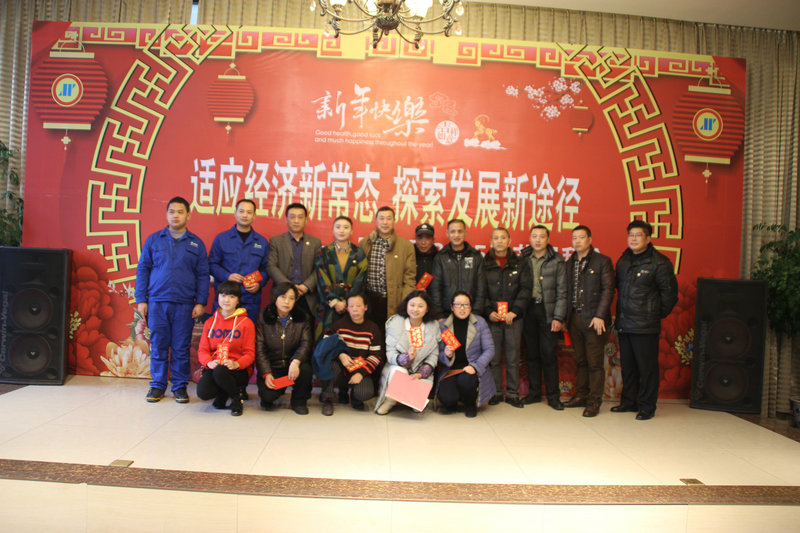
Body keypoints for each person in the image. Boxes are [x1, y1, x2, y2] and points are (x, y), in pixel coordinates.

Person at [136, 196, 209, 404]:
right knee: (158, 345)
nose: (175, 215)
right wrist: (141, 299)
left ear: (188, 215)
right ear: (166, 214)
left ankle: (179, 386)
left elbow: (203, 274)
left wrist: (200, 302)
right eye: (171, 211)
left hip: (184, 303)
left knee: (181, 347)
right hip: (157, 302)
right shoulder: (154, 240)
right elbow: (143, 269)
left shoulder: (196, 243)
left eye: (180, 212)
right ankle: (157, 385)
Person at [612, 220, 678, 420]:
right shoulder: (623, 260)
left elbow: (670, 295)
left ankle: (647, 406)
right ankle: (629, 402)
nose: (633, 239)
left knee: (647, 368)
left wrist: (653, 315)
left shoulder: (660, 263)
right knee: (628, 367)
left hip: (645, 326)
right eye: (630, 235)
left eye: (638, 235)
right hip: (625, 323)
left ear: (648, 238)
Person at [563, 225, 615, 417]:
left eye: (581, 237)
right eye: (574, 238)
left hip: (594, 320)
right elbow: (567, 292)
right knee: (581, 361)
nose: (577, 241)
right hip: (574, 319)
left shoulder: (602, 261)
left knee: (594, 363)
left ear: (590, 239)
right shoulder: (570, 263)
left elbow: (608, 290)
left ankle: (594, 402)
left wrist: (600, 315)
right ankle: (581, 396)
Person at [483, 227, 531, 408]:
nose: (499, 241)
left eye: (503, 238)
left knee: (513, 357)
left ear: (509, 241)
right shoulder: (484, 263)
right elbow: (480, 290)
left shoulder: (520, 263)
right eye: (496, 238)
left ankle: (512, 393)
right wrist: (488, 311)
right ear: (491, 241)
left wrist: (515, 311)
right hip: (493, 317)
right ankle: (495, 392)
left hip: (513, 318)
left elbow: (525, 289)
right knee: (494, 357)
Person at [520, 224, 567, 410]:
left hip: (548, 311)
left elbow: (563, 292)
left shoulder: (557, 261)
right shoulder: (523, 258)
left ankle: (554, 397)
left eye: (541, 236)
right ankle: (534, 393)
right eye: (534, 236)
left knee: (548, 354)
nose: (538, 240)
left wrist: (558, 317)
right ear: (530, 239)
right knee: (531, 354)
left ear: (548, 239)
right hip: (528, 310)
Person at [375, 290, 439, 415]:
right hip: (400, 367)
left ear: (427, 309)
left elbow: (434, 354)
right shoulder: (395, 323)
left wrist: (421, 373)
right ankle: (391, 401)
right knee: (398, 371)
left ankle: (406, 397)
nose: (415, 309)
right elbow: (390, 353)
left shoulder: (433, 325)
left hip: (420, 371)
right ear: (406, 305)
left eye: (420, 306)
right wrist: (406, 357)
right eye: (412, 305)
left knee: (416, 409)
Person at [196, 281, 255, 416]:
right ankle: (223, 393)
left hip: (238, 370)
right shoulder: (210, 322)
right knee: (204, 392)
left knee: (220, 371)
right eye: (223, 295)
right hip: (216, 366)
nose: (226, 300)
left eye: (231, 296)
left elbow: (250, 354)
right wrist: (209, 362)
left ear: (238, 300)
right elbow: (203, 350)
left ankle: (236, 399)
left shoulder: (246, 323)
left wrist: (237, 363)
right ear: (217, 297)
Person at [320, 293, 385, 416]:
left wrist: (361, 373)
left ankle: (355, 397)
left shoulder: (373, 328)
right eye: (351, 306)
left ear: (365, 307)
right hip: (340, 367)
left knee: (365, 393)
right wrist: (340, 354)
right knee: (330, 366)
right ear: (347, 308)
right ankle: (328, 399)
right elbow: (325, 345)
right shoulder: (339, 325)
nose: (355, 309)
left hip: (359, 369)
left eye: (358, 306)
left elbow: (376, 356)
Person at [255, 282, 313, 415]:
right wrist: (267, 373)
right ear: (275, 297)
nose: (287, 302)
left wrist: (296, 361)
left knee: (305, 369)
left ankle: (298, 401)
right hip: (273, 366)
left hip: (293, 365)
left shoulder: (302, 318)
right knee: (267, 397)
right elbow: (260, 349)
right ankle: (278, 389)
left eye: (291, 298)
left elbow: (306, 343)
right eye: (283, 297)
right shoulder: (264, 317)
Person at [208, 198, 269, 321]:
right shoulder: (221, 239)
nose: (245, 215)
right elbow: (212, 264)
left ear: (254, 216)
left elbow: (266, 269)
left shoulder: (262, 242)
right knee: (222, 332)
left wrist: (259, 284)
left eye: (249, 212)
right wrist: (227, 276)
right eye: (241, 211)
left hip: (250, 300)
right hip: (226, 299)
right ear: (235, 213)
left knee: (247, 332)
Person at [437, 291, 495, 418]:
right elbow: (438, 354)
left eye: (465, 305)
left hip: (471, 367)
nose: (462, 308)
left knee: (466, 381)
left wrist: (475, 366)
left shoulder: (480, 323)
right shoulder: (443, 325)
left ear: (470, 307)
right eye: (458, 305)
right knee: (447, 399)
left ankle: (470, 403)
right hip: (451, 369)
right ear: (452, 307)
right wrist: (446, 355)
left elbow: (490, 349)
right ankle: (455, 399)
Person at [358, 206, 416, 326]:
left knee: (391, 331)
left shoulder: (406, 246)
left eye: (389, 218)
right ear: (376, 221)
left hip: (393, 300)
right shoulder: (365, 243)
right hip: (369, 299)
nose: (385, 222)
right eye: (381, 218)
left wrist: (404, 301)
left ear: (394, 220)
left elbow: (410, 278)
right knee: (369, 331)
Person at [315, 216, 368, 340]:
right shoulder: (324, 252)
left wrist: (347, 303)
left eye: (346, 227)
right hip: (328, 305)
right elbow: (322, 279)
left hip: (351, 306)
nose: (341, 230)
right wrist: (335, 302)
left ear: (351, 231)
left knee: (349, 339)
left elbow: (360, 279)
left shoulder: (359, 253)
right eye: (338, 227)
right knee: (326, 339)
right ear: (333, 230)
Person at [267, 203, 322, 320]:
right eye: (292, 217)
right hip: (282, 295)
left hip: (306, 296)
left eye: (300, 217)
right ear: (286, 219)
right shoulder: (276, 241)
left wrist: (306, 286)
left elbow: (319, 267)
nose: (296, 221)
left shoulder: (315, 242)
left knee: (306, 328)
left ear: (306, 220)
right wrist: (290, 287)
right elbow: (271, 266)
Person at [430, 218, 486, 318]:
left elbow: (481, 288)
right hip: (447, 314)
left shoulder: (476, 256)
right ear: (447, 233)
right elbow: (436, 289)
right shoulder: (440, 257)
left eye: (460, 231)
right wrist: (439, 314)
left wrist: (476, 313)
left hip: (471, 314)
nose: (456, 235)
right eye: (453, 231)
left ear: (465, 233)